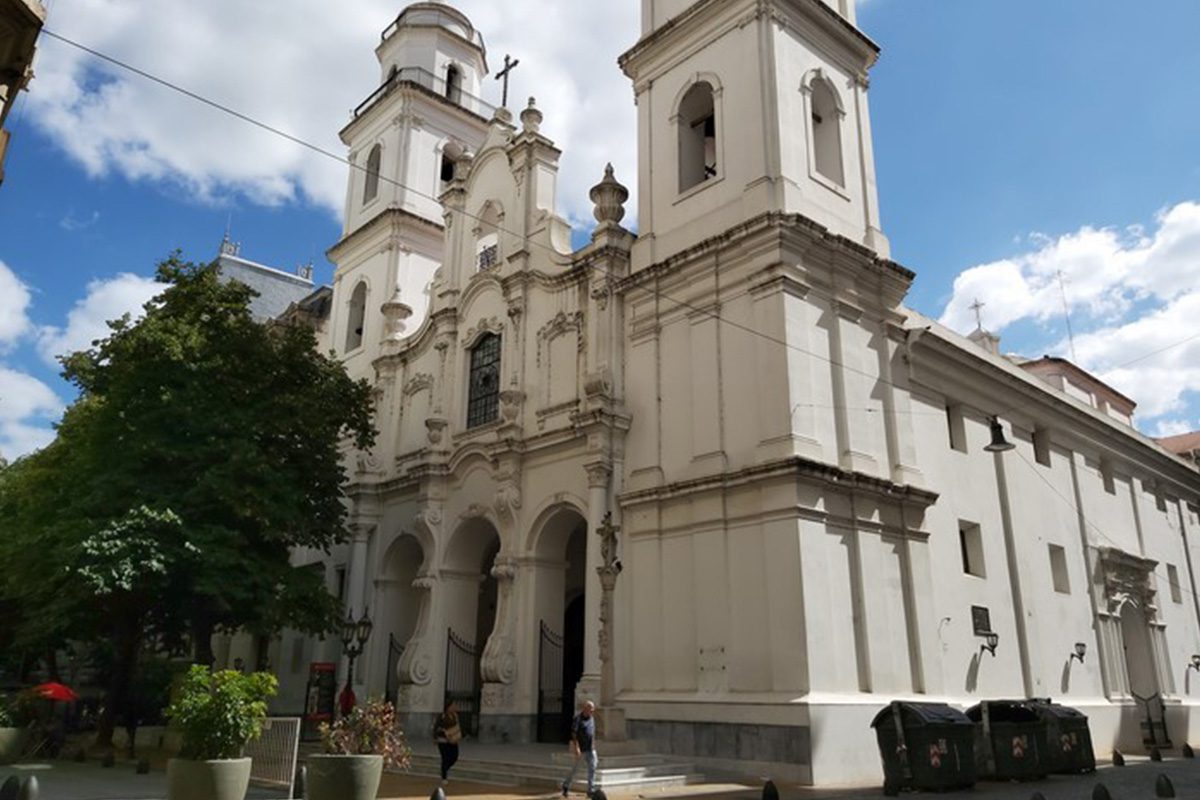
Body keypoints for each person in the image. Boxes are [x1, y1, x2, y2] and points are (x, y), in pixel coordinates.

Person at [561, 700, 597, 797]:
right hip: (582, 749)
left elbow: (592, 732)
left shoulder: (592, 718)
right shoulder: (578, 719)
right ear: (585, 708)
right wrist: (576, 747)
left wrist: (593, 744)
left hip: (591, 749)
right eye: (591, 709)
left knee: (592, 768)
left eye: (593, 709)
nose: (592, 711)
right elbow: (574, 734)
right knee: (576, 769)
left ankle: (591, 790)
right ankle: (566, 785)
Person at [433, 700, 462, 784]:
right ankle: (444, 776)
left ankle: (445, 769)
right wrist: (435, 737)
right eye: (453, 705)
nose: (454, 707)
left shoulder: (455, 716)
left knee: (454, 756)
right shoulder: (442, 716)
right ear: (448, 707)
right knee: (445, 758)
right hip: (443, 741)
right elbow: (436, 727)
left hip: (453, 740)